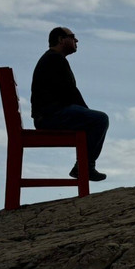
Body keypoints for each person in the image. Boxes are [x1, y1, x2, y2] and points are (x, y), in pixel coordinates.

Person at [31, 27, 109, 181]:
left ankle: (83, 166)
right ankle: (85, 166)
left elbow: (69, 93)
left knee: (93, 119)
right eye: (73, 37)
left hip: (48, 116)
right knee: (99, 119)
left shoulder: (53, 58)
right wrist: (87, 112)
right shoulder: (54, 59)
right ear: (61, 39)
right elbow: (70, 92)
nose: (76, 40)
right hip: (50, 117)